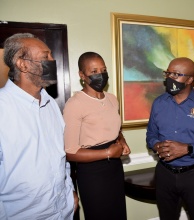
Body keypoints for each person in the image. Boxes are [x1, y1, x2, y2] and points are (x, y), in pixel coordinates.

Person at [0, 33, 78, 219]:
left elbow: (61, 158)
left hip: (63, 211)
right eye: (45, 57)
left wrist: (71, 191)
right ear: (22, 64)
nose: (53, 61)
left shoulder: (51, 105)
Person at [146, 57, 194, 220]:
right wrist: (156, 145)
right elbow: (151, 135)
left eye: (176, 74)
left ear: (190, 79)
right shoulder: (159, 103)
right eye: (168, 73)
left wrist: (188, 149)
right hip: (164, 174)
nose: (170, 78)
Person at [63, 52, 131, 220]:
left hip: (114, 168)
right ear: (82, 75)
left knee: (118, 214)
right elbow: (70, 152)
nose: (100, 74)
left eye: (103, 69)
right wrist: (107, 153)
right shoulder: (75, 104)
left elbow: (116, 130)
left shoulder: (112, 99)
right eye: (93, 71)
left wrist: (122, 141)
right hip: (92, 172)